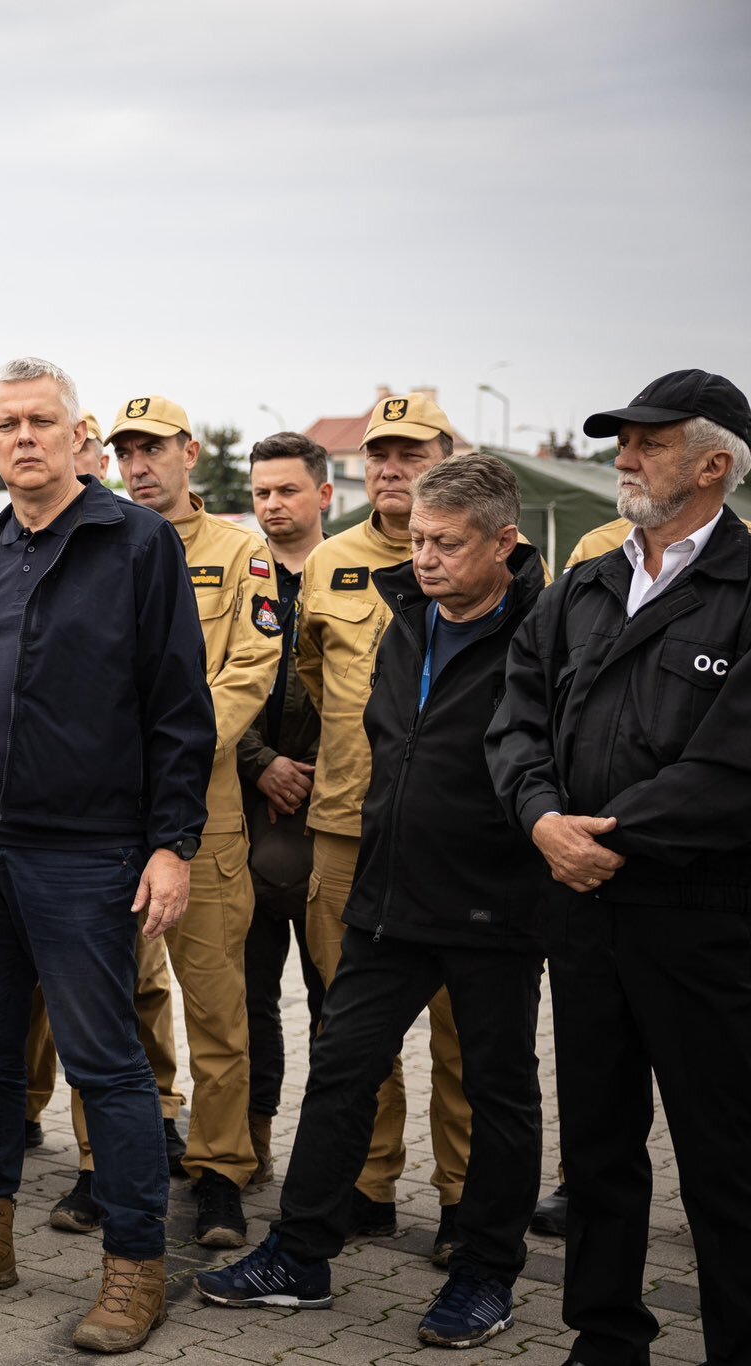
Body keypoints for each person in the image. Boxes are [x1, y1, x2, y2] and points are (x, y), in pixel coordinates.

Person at [0, 357, 214, 1351]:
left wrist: (171, 845)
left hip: (85, 855)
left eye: (42, 420)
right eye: (7, 423)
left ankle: (134, 1267)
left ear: (79, 438)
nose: (24, 436)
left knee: (105, 1064)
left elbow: (179, 706)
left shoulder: (136, 544)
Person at [199, 453, 548, 1350]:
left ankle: (484, 1272)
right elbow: (371, 723)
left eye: (446, 544)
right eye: (418, 539)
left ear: (504, 543)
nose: (423, 557)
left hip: (493, 902)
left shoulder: (546, 634)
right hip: (387, 891)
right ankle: (301, 1254)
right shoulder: (406, 618)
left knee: (499, 1090)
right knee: (343, 1067)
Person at [489, 369, 751, 1366]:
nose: (624, 458)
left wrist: (600, 834)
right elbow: (515, 718)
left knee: (724, 1155)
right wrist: (540, 818)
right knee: (598, 1146)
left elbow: (729, 766)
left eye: (648, 443)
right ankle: (605, 1337)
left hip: (700, 915)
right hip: (582, 909)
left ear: (713, 464)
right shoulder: (586, 586)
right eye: (622, 441)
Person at [296, 391, 471, 1259]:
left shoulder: (497, 557)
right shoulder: (329, 561)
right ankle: (368, 1185)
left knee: (463, 1032)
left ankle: (465, 1199)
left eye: (412, 453)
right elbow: (309, 672)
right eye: (380, 454)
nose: (393, 469)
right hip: (345, 828)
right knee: (354, 1027)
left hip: (452, 837)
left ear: (448, 459)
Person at [105, 395, 282, 1246]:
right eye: (126, 452)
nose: (139, 466)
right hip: (107, 817)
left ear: (190, 452)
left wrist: (168, 743)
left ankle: (220, 1173)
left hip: (202, 815)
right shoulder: (99, 545)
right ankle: (115, 1157)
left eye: (154, 449)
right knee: (117, 1000)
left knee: (216, 1008)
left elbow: (252, 668)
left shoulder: (241, 554)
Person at [234, 432, 334, 1185]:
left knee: (338, 998)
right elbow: (208, 679)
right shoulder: (242, 574)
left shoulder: (361, 574)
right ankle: (252, 1138)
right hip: (244, 811)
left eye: (287, 490)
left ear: (323, 494)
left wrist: (317, 773)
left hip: (336, 817)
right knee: (246, 998)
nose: (272, 504)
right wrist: (260, 763)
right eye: (262, 492)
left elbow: (374, 695)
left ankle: (337, 1157)